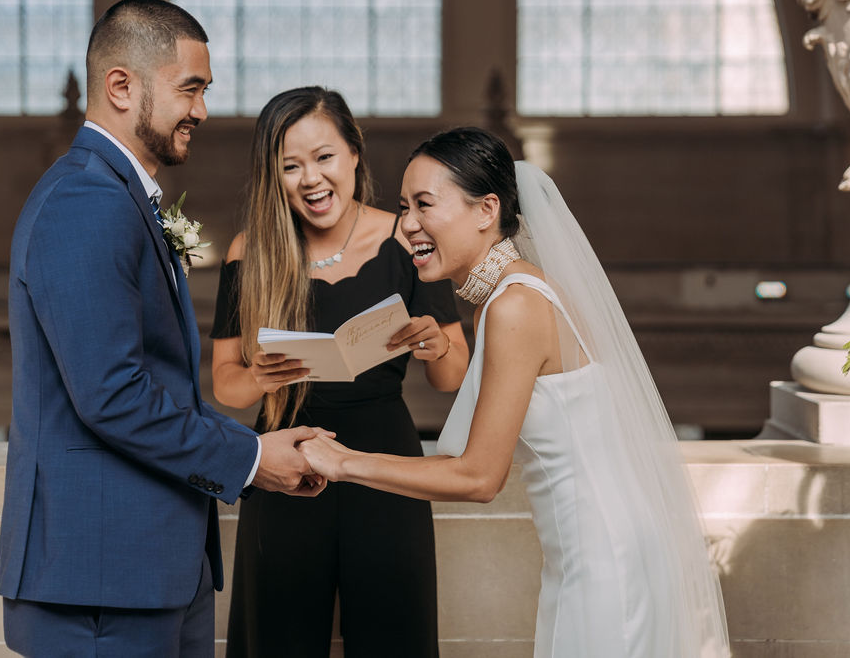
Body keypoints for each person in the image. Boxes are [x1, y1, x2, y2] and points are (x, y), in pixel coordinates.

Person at [300, 127, 731, 658]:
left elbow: (479, 476)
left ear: (486, 210)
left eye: (424, 205)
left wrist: (343, 463)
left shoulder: (514, 305)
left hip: (604, 562)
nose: (406, 225)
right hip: (586, 555)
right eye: (403, 206)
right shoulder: (505, 294)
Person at [0, 0, 327, 658]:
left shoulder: (117, 196)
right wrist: (254, 458)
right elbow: (112, 393)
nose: (202, 110)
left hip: (154, 571)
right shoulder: (86, 201)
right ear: (122, 86)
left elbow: (160, 384)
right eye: (191, 88)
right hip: (99, 584)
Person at [210, 86, 469, 657]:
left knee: (393, 634)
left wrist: (433, 344)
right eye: (291, 166)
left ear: (354, 152)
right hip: (286, 459)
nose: (311, 179)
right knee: (277, 635)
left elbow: (453, 376)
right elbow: (225, 384)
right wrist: (262, 376)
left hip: (386, 460)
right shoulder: (249, 251)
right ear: (272, 175)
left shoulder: (410, 238)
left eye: (324, 157)